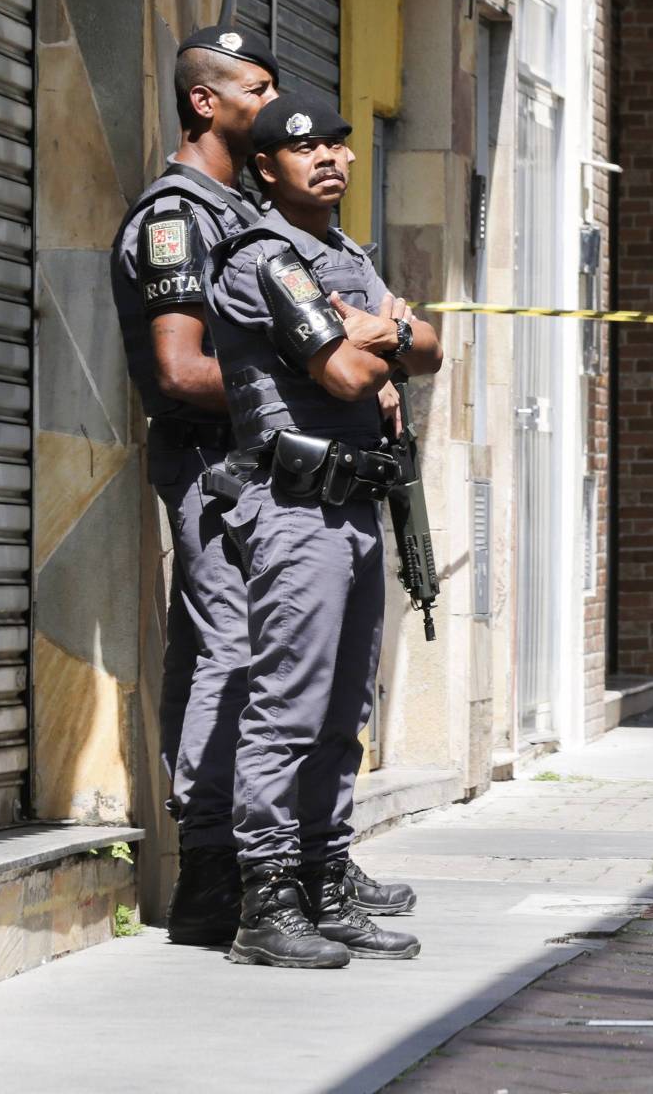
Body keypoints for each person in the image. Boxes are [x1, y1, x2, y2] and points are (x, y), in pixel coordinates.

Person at [203, 96, 443, 967]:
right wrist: (383, 337)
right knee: (288, 707)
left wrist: (382, 328)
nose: (331, 157)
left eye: (339, 143)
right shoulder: (264, 258)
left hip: (354, 508)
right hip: (295, 507)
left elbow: (430, 350)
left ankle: (325, 879)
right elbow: (343, 376)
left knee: (346, 709)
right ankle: (266, 904)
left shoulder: (345, 256)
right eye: (305, 147)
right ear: (266, 167)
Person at [107, 26, 276, 944]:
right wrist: (306, 384)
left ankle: (270, 857)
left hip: (259, 470)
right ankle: (211, 875)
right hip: (216, 470)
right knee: (230, 654)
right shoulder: (178, 217)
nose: (273, 108)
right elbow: (177, 371)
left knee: (261, 659)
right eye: (256, 89)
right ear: (205, 101)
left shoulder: (239, 208)